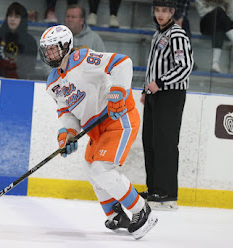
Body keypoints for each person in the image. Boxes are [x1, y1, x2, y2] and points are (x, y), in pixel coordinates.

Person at [39, 24, 158, 239]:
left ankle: (142, 210)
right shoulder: (52, 83)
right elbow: (67, 112)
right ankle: (116, 214)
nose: (48, 54)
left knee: (101, 170)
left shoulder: (85, 59)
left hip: (118, 119)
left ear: (66, 46)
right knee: (90, 168)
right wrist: (68, 133)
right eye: (45, 50)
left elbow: (123, 63)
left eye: (52, 48)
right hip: (96, 129)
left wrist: (118, 93)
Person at [139, 0, 194, 210]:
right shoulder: (158, 34)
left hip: (170, 94)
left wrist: (159, 83)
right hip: (155, 94)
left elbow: (185, 66)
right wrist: (147, 88)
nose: (160, 14)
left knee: (165, 143)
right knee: (150, 141)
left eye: (165, 11)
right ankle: (155, 189)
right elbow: (153, 66)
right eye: (158, 10)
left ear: (172, 12)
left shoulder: (177, 34)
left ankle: (168, 193)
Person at [195, 0, 233, 73]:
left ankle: (215, 64)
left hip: (226, 23)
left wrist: (223, 16)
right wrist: (218, 11)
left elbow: (232, 15)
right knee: (219, 12)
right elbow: (202, 12)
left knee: (220, 25)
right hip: (208, 22)